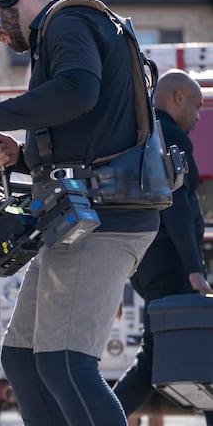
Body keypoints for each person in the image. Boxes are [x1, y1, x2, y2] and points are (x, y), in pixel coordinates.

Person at [0, 0, 160, 424]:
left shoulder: (68, 19)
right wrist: (21, 156)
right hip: (79, 216)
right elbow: (90, 131)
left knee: (65, 364)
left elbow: (77, 92)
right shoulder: (62, 27)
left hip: (101, 219)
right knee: (22, 359)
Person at [112, 69, 213, 425]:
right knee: (199, 347)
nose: (199, 117)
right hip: (171, 266)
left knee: (157, 357)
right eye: (197, 106)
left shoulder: (137, 135)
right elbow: (176, 206)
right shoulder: (170, 136)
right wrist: (195, 269)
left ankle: (97, 419)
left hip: (146, 265)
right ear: (178, 98)